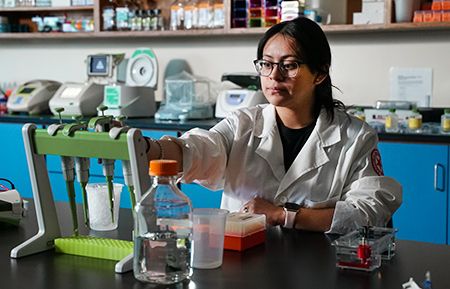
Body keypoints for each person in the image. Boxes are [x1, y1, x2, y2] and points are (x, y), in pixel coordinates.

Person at [144, 17, 402, 235]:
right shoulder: (242, 124)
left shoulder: (354, 137)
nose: (274, 76)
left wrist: (282, 215)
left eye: (289, 65)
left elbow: (368, 213)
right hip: (243, 263)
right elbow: (198, 150)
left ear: (320, 74)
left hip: (316, 268)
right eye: (267, 64)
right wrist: (148, 147)